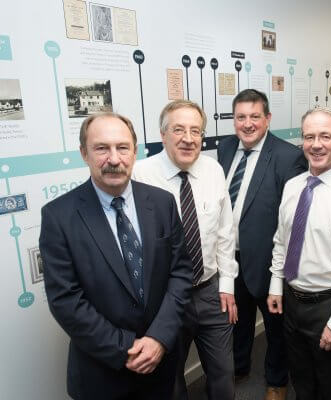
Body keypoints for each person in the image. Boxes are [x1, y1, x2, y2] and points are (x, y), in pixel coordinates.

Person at [39, 112, 192, 400]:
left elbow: (180, 273)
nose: (114, 158)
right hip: (103, 374)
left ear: (134, 152)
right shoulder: (59, 217)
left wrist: (159, 337)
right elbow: (65, 299)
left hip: (162, 363)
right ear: (84, 153)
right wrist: (125, 348)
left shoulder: (163, 203)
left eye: (122, 147)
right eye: (101, 148)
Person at [133, 100, 238, 400]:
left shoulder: (213, 170)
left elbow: (225, 232)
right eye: (179, 130)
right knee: (171, 381)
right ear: (163, 134)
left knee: (223, 376)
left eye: (196, 131)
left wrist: (227, 284)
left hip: (210, 292)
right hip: (166, 298)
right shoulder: (140, 175)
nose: (189, 139)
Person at [267, 107, 331, 400]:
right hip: (292, 302)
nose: (316, 145)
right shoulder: (292, 186)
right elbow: (281, 241)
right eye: (309, 137)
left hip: (328, 306)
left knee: (330, 386)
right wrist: (276, 285)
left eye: (325, 136)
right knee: (301, 380)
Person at [217, 89, 307, 400]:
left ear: (267, 118)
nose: (248, 123)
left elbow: (292, 221)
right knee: (236, 321)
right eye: (241, 117)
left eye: (255, 116)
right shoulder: (226, 147)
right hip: (230, 259)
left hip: (268, 263)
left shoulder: (288, 156)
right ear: (234, 120)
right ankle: (239, 367)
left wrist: (281, 273)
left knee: (275, 329)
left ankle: (276, 382)